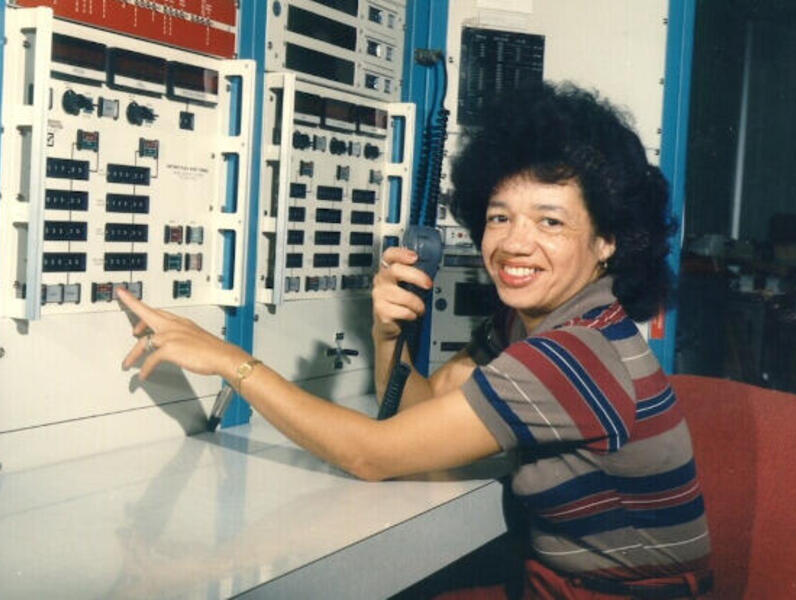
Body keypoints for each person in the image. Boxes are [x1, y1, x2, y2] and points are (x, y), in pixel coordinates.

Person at [118, 81, 712, 599]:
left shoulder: (571, 357)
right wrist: (388, 332)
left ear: (608, 241)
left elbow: (372, 456)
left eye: (549, 221)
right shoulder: (545, 326)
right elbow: (418, 412)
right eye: (500, 216)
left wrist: (231, 361)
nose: (513, 242)